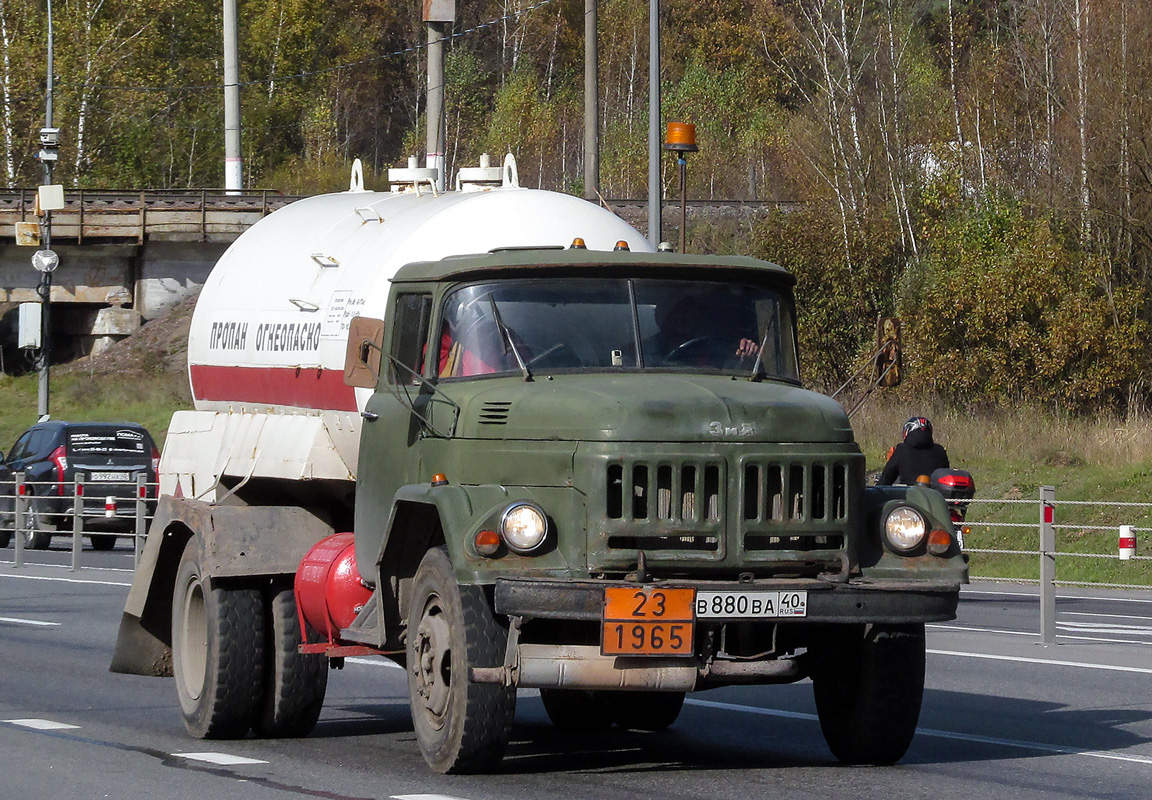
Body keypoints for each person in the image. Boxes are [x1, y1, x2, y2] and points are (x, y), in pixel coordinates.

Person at [646, 295, 759, 367]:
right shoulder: (638, 352)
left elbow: (732, 370)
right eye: (673, 320)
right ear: (659, 319)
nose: (679, 327)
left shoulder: (713, 351)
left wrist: (746, 352)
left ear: (694, 320)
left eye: (685, 320)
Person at [877, 416, 950, 485]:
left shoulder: (902, 450)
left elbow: (886, 479)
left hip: (909, 495)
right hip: (936, 496)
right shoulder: (940, 450)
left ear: (907, 431)